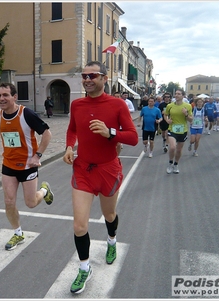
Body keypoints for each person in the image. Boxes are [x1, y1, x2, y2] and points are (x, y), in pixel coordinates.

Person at [63, 61, 138, 294]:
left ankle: (112, 240)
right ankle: (85, 268)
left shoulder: (117, 105)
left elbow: (133, 137)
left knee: (109, 214)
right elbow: (72, 129)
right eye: (84, 76)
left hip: (108, 170)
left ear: (105, 78)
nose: (87, 79)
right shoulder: (77, 104)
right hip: (83, 169)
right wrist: (68, 146)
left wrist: (110, 133)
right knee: (79, 225)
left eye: (92, 75)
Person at [0, 83, 54, 251]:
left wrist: (37, 155)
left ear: (14, 97)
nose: (1, 99)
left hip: (28, 166)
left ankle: (45, 191)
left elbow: (47, 133)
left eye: (5, 95)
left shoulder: (26, 114)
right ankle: (18, 233)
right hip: (9, 165)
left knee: (31, 203)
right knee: (9, 201)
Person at [163, 89, 193, 174]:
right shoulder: (170, 106)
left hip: (182, 130)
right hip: (172, 129)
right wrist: (167, 120)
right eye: (175, 94)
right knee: (172, 147)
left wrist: (186, 114)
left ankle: (176, 164)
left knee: (179, 150)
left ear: (183, 96)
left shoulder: (188, 106)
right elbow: (165, 114)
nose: (176, 95)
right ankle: (170, 163)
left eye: (179, 94)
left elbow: (191, 120)